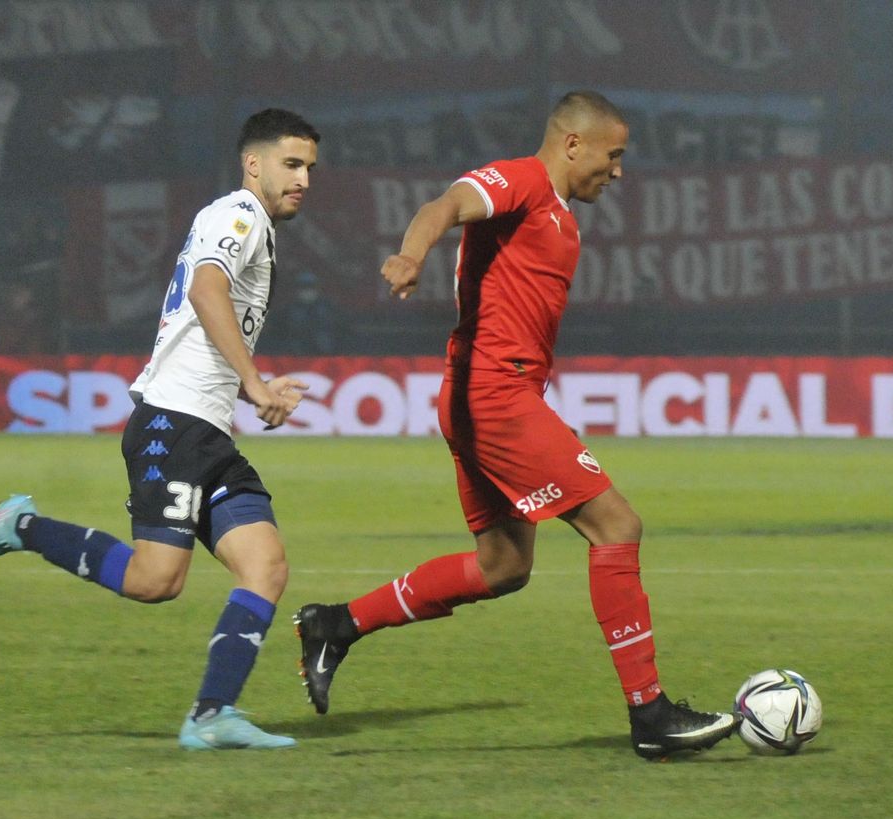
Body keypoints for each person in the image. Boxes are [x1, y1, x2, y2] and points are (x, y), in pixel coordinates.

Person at [294, 92, 738, 759]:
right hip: (495, 397)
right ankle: (649, 714)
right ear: (571, 144)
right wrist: (412, 254)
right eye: (612, 156)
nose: (617, 172)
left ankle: (337, 625)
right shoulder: (523, 182)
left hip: (483, 397)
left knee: (504, 567)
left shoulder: (558, 213)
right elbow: (443, 205)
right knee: (616, 527)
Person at [0, 108, 320, 751]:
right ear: (252, 163)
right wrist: (254, 383)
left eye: (310, 167)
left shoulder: (254, 226)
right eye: (291, 164)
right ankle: (17, 527)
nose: (304, 179)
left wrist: (249, 386)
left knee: (266, 567)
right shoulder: (238, 215)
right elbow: (207, 291)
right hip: (172, 426)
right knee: (155, 581)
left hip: (208, 432)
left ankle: (211, 716)